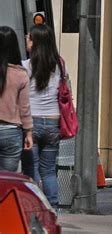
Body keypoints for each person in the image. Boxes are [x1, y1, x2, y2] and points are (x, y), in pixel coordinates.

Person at [22, 25, 65, 209]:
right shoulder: (60, 65)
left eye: (29, 38)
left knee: (31, 171)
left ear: (35, 42)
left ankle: (34, 208)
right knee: (49, 171)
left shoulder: (25, 66)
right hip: (53, 123)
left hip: (32, 124)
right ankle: (53, 209)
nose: (26, 40)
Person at [0, 26, 33, 172]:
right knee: (8, 181)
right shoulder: (20, 74)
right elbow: (24, 107)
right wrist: (29, 133)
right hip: (12, 132)